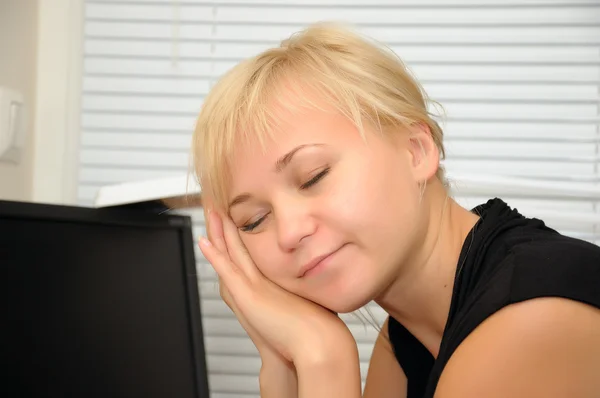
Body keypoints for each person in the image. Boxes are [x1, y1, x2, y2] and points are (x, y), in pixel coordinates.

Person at [191, 22, 600, 398]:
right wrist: (280, 362)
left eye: (313, 176)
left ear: (416, 151)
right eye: (254, 221)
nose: (289, 232)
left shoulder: (529, 321)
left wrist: (324, 363)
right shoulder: (406, 339)